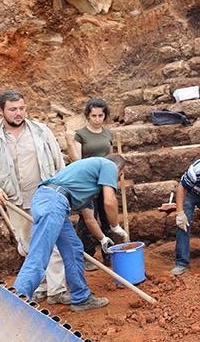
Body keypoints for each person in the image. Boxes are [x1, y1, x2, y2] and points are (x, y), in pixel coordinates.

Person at [0, 90, 70, 305]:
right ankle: (41, 285)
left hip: (46, 197)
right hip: (15, 201)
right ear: (1, 111)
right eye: (13, 109)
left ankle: (57, 290)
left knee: (51, 243)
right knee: (27, 245)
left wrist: (61, 190)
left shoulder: (41, 131)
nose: (19, 113)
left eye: (21, 108)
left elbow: (59, 163)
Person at [13, 154, 129, 312]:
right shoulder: (108, 165)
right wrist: (115, 226)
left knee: (74, 248)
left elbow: (89, 219)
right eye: (120, 175)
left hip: (56, 204)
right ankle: (16, 303)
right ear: (119, 169)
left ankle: (81, 298)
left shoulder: (85, 185)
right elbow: (109, 201)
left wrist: (103, 239)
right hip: (53, 202)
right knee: (39, 255)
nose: (117, 178)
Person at [65, 98, 115, 271]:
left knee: (107, 217)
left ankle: (110, 253)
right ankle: (88, 256)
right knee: (87, 219)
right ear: (88, 116)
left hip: (105, 182)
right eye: (93, 115)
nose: (97, 119)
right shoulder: (81, 134)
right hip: (86, 183)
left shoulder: (108, 134)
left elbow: (111, 158)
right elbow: (76, 159)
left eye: (101, 115)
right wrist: (69, 142)